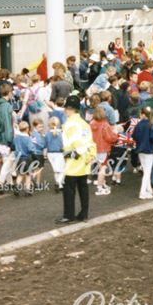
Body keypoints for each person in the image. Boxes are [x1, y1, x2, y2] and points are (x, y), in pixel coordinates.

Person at [57, 96, 95, 224]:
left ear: (68, 109)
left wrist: (73, 154)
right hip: (85, 159)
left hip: (74, 159)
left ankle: (69, 214)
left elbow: (75, 142)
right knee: (83, 187)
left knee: (69, 189)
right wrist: (90, 155)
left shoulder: (69, 124)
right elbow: (90, 141)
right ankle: (84, 213)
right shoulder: (84, 123)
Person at [90, 107, 119, 196]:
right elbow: (110, 137)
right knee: (103, 168)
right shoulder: (105, 125)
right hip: (103, 149)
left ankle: (102, 184)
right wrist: (116, 135)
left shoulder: (91, 124)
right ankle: (100, 188)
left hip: (93, 148)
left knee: (99, 167)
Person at [133, 106, 153, 200]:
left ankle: (148, 189)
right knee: (147, 172)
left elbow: (134, 136)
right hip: (149, 150)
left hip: (140, 150)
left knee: (145, 170)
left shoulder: (139, 124)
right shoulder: (152, 124)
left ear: (142, 114)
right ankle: (142, 192)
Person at [45, 116, 65, 193]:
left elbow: (45, 144)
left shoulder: (47, 134)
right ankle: (59, 182)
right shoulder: (60, 133)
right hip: (59, 153)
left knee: (56, 170)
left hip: (50, 153)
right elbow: (62, 143)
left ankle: (60, 184)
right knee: (62, 169)